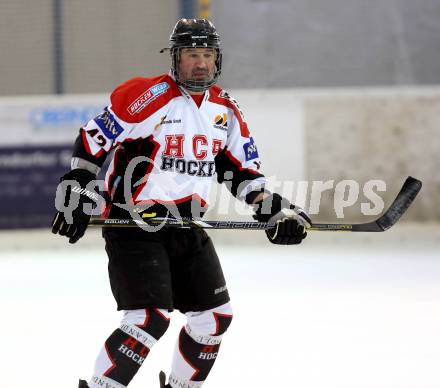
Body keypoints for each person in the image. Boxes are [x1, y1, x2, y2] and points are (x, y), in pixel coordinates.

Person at [52, 18, 311, 388]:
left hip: (187, 227)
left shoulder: (225, 110)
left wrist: (272, 209)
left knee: (214, 318)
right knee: (148, 319)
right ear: (175, 58)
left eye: (207, 54)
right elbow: (95, 139)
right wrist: (78, 185)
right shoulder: (149, 95)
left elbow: (240, 173)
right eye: (192, 54)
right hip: (135, 226)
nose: (200, 63)